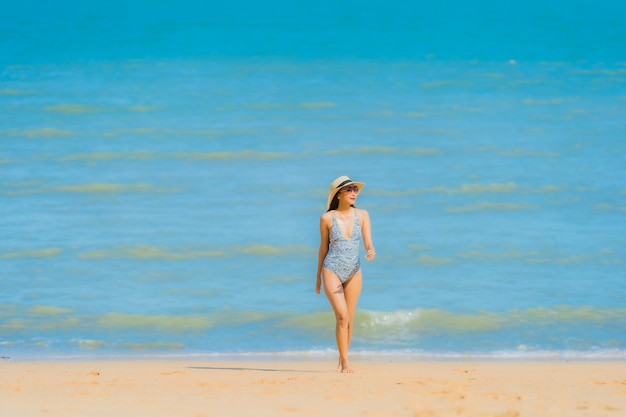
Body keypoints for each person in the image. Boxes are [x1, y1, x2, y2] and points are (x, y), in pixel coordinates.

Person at [316, 175, 375, 373]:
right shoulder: (326, 218)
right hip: (331, 269)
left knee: (349, 318)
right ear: (338, 194)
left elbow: (368, 241)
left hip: (354, 270)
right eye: (349, 190)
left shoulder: (363, 215)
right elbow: (323, 249)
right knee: (341, 317)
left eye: (355, 189)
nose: (353, 193)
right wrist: (317, 278)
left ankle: (343, 361)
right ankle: (346, 364)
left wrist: (370, 250)